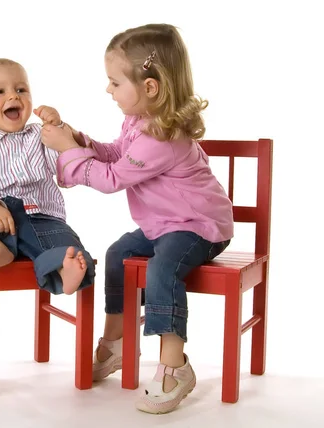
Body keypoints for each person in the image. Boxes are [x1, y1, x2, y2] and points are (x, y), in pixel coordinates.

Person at [40, 24, 234, 413]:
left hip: (199, 227)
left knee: (163, 270)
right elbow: (114, 154)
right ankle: (118, 343)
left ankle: (175, 367)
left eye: (114, 83)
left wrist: (67, 153)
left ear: (150, 88)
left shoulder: (164, 138)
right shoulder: (140, 123)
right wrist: (74, 138)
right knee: (117, 253)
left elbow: (111, 179)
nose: (108, 91)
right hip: (163, 226)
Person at [0, 58, 94, 296]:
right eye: (0, 91)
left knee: (71, 249)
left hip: (42, 220)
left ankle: (64, 271)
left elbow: (68, 172)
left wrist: (59, 129)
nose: (13, 96)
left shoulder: (41, 136)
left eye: (21, 89)